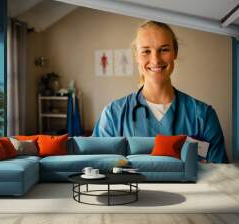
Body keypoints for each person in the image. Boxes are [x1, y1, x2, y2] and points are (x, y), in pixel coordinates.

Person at [92, 21, 228, 163]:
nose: (155, 59)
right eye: (146, 51)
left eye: (164, 49)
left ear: (175, 52)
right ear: (136, 57)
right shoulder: (113, 115)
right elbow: (98, 169)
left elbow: (219, 176)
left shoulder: (203, 116)